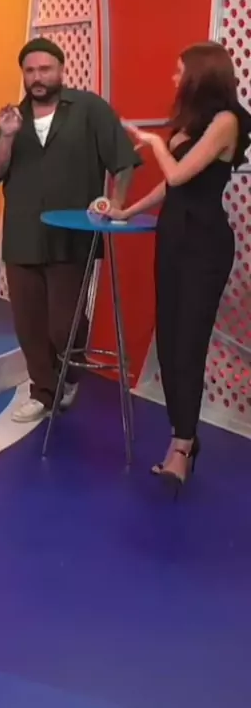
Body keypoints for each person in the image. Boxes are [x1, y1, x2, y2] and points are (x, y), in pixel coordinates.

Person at [98, 42, 251, 491]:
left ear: (200, 75)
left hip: (205, 243)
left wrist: (153, 143)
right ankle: (182, 435)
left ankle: (182, 446)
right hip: (174, 239)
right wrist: (127, 212)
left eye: (179, 70)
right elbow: (172, 187)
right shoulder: (193, 123)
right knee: (167, 344)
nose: (173, 77)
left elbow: (179, 175)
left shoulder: (227, 121)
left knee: (189, 344)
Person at [0, 37, 141, 423]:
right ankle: (43, 390)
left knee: (64, 323)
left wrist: (116, 203)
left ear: (60, 70)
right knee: (29, 323)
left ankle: (69, 375)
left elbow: (123, 161)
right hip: (23, 235)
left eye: (45, 69)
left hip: (72, 236)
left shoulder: (89, 109)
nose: (37, 77)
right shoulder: (12, 118)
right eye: (30, 71)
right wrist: (7, 136)